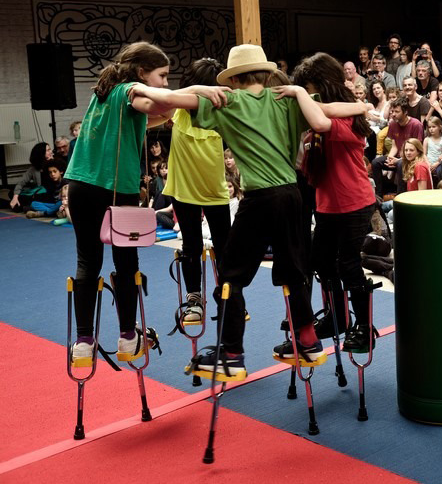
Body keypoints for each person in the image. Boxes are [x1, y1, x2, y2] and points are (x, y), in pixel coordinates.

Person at [133, 44, 368, 376]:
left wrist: (139, 88)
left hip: (260, 197)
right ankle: (308, 340)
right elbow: (331, 109)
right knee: (293, 271)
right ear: (265, 72)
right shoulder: (285, 99)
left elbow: (171, 101)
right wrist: (362, 104)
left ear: (235, 79)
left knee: (230, 275)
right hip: (292, 195)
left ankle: (230, 352)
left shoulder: (229, 102)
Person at [64, 42, 218, 366]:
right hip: (114, 190)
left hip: (79, 186)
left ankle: (83, 342)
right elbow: (156, 100)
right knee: (126, 264)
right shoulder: (129, 89)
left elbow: (148, 117)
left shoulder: (103, 94)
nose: (164, 82)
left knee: (87, 263)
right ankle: (127, 337)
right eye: (162, 75)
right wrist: (199, 90)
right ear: (141, 72)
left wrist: (171, 111)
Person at [285, 52, 379, 352]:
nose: (308, 94)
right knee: (321, 263)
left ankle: (363, 327)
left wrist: (299, 93)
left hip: (354, 202)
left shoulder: (347, 116)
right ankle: (337, 317)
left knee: (349, 265)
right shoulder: (331, 110)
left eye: (312, 88)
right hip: (327, 204)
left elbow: (320, 121)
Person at [164, 57, 232, 323]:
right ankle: (194, 299)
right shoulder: (178, 110)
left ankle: (229, 295)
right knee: (190, 245)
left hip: (215, 191)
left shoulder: (222, 112)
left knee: (224, 246)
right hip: (183, 190)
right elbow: (167, 97)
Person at [370, 99, 424, 198]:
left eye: (397, 112)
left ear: (405, 112)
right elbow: (394, 146)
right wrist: (390, 158)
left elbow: (418, 149)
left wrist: (399, 160)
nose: (393, 114)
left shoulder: (416, 124)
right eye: (392, 111)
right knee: (375, 163)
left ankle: (400, 196)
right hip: (398, 157)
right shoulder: (393, 124)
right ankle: (379, 195)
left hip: (411, 158)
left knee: (400, 164)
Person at [9, 142, 54, 212]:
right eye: (48, 150)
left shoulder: (55, 163)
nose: (51, 152)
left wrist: (51, 162)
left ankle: (25, 207)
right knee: (12, 193)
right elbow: (21, 183)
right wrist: (15, 197)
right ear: (41, 154)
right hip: (38, 193)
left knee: (40, 197)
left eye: (50, 149)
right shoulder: (34, 169)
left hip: (48, 194)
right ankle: (25, 206)